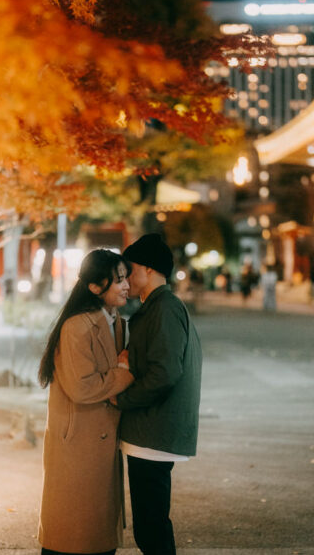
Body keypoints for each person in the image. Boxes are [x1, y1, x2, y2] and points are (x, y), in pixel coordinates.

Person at [37, 249, 134, 555]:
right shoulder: (77, 326)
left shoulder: (117, 322)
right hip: (77, 443)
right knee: (70, 536)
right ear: (95, 287)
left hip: (100, 440)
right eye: (118, 280)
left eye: (126, 278)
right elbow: (82, 387)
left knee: (97, 536)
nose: (126, 286)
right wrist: (123, 373)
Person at [112, 233, 202, 555]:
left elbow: (165, 372)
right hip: (152, 432)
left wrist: (122, 399)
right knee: (152, 528)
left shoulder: (164, 307)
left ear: (148, 269)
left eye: (129, 270)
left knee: (152, 531)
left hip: (154, 432)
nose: (125, 278)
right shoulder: (159, 306)